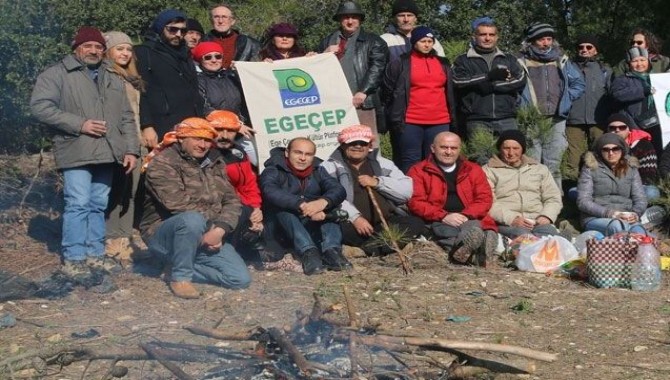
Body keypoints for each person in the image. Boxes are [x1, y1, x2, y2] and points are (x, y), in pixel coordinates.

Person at [30, 26, 139, 279]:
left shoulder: (111, 77)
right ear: (76, 48)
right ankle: (74, 259)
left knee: (98, 205)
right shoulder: (56, 74)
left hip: (108, 152)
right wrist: (80, 124)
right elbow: (40, 107)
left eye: (99, 47)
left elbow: (126, 117)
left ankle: (95, 255)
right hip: (76, 150)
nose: (94, 51)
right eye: (88, 46)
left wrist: (131, 149)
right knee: (78, 204)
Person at [140, 117, 250, 299]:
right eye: (197, 139)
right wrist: (212, 228)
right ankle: (180, 278)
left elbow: (232, 200)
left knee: (239, 279)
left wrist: (221, 229)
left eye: (207, 140)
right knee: (192, 219)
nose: (203, 145)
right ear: (182, 138)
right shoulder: (162, 163)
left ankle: (172, 266)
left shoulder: (215, 162)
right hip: (165, 235)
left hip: (206, 233)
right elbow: (177, 204)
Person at [322, 125, 425, 255]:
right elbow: (329, 195)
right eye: (352, 143)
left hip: (383, 222)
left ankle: (366, 249)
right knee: (336, 228)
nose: (358, 146)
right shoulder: (329, 166)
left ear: (369, 145)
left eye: (363, 143)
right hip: (350, 223)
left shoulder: (382, 163)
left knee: (415, 223)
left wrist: (377, 182)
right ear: (343, 145)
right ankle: (384, 247)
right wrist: (355, 218)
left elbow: (406, 192)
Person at [259, 138, 349, 275]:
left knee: (330, 206)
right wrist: (301, 205)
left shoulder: (318, 170)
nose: (302, 158)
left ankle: (332, 251)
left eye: (308, 154)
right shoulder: (273, 170)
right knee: (282, 209)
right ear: (287, 153)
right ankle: (308, 252)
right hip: (279, 228)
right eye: (298, 153)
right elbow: (270, 191)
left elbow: (338, 189)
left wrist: (322, 203)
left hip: (308, 222)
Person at [407, 132, 498, 266]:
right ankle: (475, 253)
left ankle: (466, 250)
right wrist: (443, 216)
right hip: (438, 218)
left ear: (459, 149)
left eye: (453, 148)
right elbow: (415, 201)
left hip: (468, 216)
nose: (448, 152)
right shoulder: (419, 170)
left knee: (474, 227)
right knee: (447, 231)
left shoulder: (473, 169)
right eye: (444, 147)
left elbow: (484, 198)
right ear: (433, 148)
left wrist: (465, 215)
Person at [517, 22, 585, 190]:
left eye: (549, 39)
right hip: (531, 118)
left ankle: (555, 200)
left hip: (556, 117)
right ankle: (532, 198)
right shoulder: (521, 61)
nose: (546, 43)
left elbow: (578, 83)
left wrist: (566, 99)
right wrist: (520, 104)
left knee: (553, 161)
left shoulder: (561, 60)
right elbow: (512, 87)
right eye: (541, 39)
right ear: (531, 41)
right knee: (532, 160)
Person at [382, 26, 455, 173]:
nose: (427, 44)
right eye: (423, 41)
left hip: (439, 121)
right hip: (410, 121)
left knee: (435, 161)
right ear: (414, 42)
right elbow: (388, 90)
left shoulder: (443, 63)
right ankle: (411, 195)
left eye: (430, 41)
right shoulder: (401, 62)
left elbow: (450, 90)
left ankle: (434, 194)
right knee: (410, 161)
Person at [102, 31, 146, 263]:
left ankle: (125, 237)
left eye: (128, 49)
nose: (125, 53)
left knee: (131, 192)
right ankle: (112, 239)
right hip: (118, 143)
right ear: (108, 51)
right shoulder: (105, 76)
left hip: (137, 141)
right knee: (117, 191)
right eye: (120, 49)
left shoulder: (132, 78)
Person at [319, 1, 389, 140]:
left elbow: (378, 68)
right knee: (336, 143)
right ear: (340, 20)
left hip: (363, 102)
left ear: (360, 20)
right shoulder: (326, 42)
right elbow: (316, 68)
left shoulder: (374, 41)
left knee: (367, 143)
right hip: (334, 105)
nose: (350, 21)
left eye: (354, 17)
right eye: (346, 17)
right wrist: (324, 54)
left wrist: (363, 92)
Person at [135, 9, 203, 149]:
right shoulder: (144, 52)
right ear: (161, 28)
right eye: (173, 29)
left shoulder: (185, 54)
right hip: (161, 125)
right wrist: (147, 126)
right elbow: (141, 92)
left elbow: (194, 90)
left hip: (189, 124)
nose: (178, 34)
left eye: (183, 31)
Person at [451, 16, 526, 139]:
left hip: (507, 118)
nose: (487, 38)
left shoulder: (509, 59)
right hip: (477, 119)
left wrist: (491, 85)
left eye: (491, 35)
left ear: (497, 37)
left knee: (510, 156)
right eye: (483, 34)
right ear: (474, 37)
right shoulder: (463, 60)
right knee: (480, 157)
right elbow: (457, 80)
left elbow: (520, 80)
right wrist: (487, 76)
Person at [483, 130, 563, 238]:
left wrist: (546, 216)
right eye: (506, 148)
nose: (511, 153)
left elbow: (553, 197)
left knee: (550, 237)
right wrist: (512, 219)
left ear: (522, 150)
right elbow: (488, 202)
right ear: (500, 149)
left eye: (516, 148)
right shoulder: (488, 170)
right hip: (507, 222)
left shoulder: (539, 169)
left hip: (536, 220)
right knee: (525, 238)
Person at [193, 41, 257, 166]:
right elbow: (206, 108)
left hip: (240, 132)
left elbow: (252, 91)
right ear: (200, 60)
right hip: (215, 135)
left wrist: (259, 67)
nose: (213, 60)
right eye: (208, 57)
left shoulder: (231, 76)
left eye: (218, 56)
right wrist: (236, 125)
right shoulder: (197, 80)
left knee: (259, 162)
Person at [577, 133, 647, 235]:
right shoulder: (590, 168)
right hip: (596, 217)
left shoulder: (631, 168)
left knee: (640, 233)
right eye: (606, 149)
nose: (611, 153)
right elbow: (583, 201)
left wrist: (635, 214)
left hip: (626, 215)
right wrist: (610, 213)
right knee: (617, 227)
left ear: (622, 150)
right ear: (600, 151)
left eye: (615, 149)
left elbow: (640, 198)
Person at [564, 34, 612, 183]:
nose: (584, 50)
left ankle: (599, 183)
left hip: (598, 119)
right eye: (581, 47)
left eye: (588, 47)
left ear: (595, 50)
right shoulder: (567, 67)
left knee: (600, 153)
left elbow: (611, 93)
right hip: (573, 118)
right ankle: (571, 186)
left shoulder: (605, 70)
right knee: (573, 156)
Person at [610, 47, 663, 156]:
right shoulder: (622, 79)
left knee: (659, 151)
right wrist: (643, 91)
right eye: (635, 61)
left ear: (648, 61)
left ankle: (659, 172)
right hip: (634, 124)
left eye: (642, 60)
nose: (639, 64)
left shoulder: (656, 78)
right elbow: (617, 95)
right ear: (629, 63)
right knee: (640, 152)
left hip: (657, 123)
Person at [606, 113, 659, 200]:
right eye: (612, 128)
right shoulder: (600, 146)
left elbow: (648, 175)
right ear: (607, 130)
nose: (617, 130)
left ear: (628, 129)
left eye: (622, 127)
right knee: (576, 191)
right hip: (607, 187)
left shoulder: (643, 145)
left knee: (651, 193)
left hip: (636, 186)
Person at [379, 0, 445, 62]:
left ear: (415, 18)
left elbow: (443, 66)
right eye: (401, 15)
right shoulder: (385, 40)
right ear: (394, 18)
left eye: (410, 15)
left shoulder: (429, 39)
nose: (406, 19)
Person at [205, 4, 260, 69]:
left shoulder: (251, 44)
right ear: (211, 21)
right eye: (216, 17)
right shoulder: (201, 42)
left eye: (224, 17)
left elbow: (258, 68)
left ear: (233, 21)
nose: (220, 21)